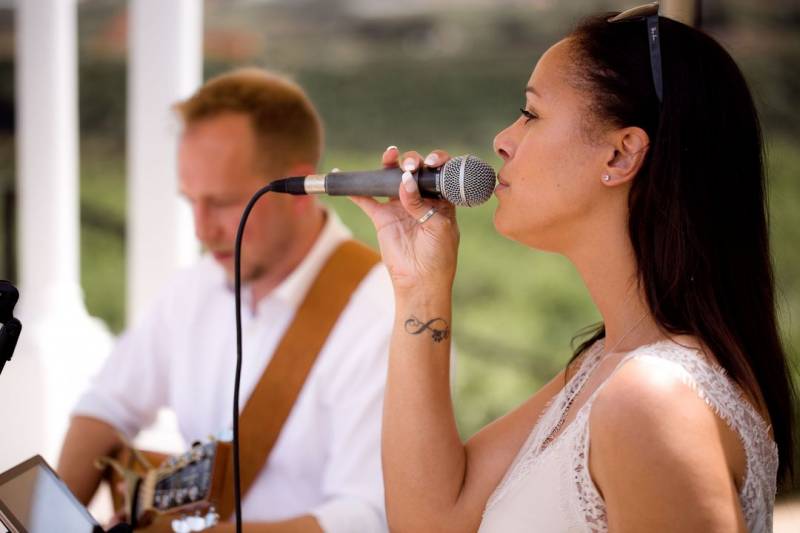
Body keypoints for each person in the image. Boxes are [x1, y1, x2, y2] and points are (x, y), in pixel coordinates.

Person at [352, 5, 795, 532]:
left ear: (620, 155)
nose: (502, 140)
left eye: (531, 113)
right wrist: (419, 284)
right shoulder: (606, 365)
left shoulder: (650, 398)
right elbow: (429, 520)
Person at [57, 68, 393, 532]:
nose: (201, 229)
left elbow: (368, 517)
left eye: (222, 203)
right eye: (190, 201)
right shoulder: (195, 287)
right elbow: (108, 406)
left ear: (299, 189)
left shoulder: (383, 317)